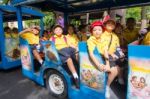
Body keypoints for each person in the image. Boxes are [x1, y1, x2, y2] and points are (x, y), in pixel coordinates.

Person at [100, 20, 125, 98]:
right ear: (105, 25)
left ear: (114, 26)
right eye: (109, 23)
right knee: (114, 70)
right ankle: (107, 86)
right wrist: (111, 54)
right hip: (105, 55)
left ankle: (120, 77)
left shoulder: (115, 36)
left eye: (112, 24)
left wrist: (121, 53)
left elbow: (117, 47)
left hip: (114, 55)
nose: (110, 25)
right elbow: (103, 49)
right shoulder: (102, 35)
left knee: (123, 62)